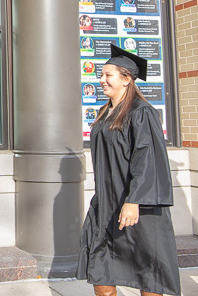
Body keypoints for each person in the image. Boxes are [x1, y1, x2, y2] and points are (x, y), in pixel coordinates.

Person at [77, 44, 180, 296]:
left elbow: (148, 159)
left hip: (137, 208)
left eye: (107, 75)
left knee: (148, 273)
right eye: (101, 75)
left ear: (126, 79)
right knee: (99, 271)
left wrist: (134, 201)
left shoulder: (141, 112)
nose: (101, 80)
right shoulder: (105, 113)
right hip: (107, 206)